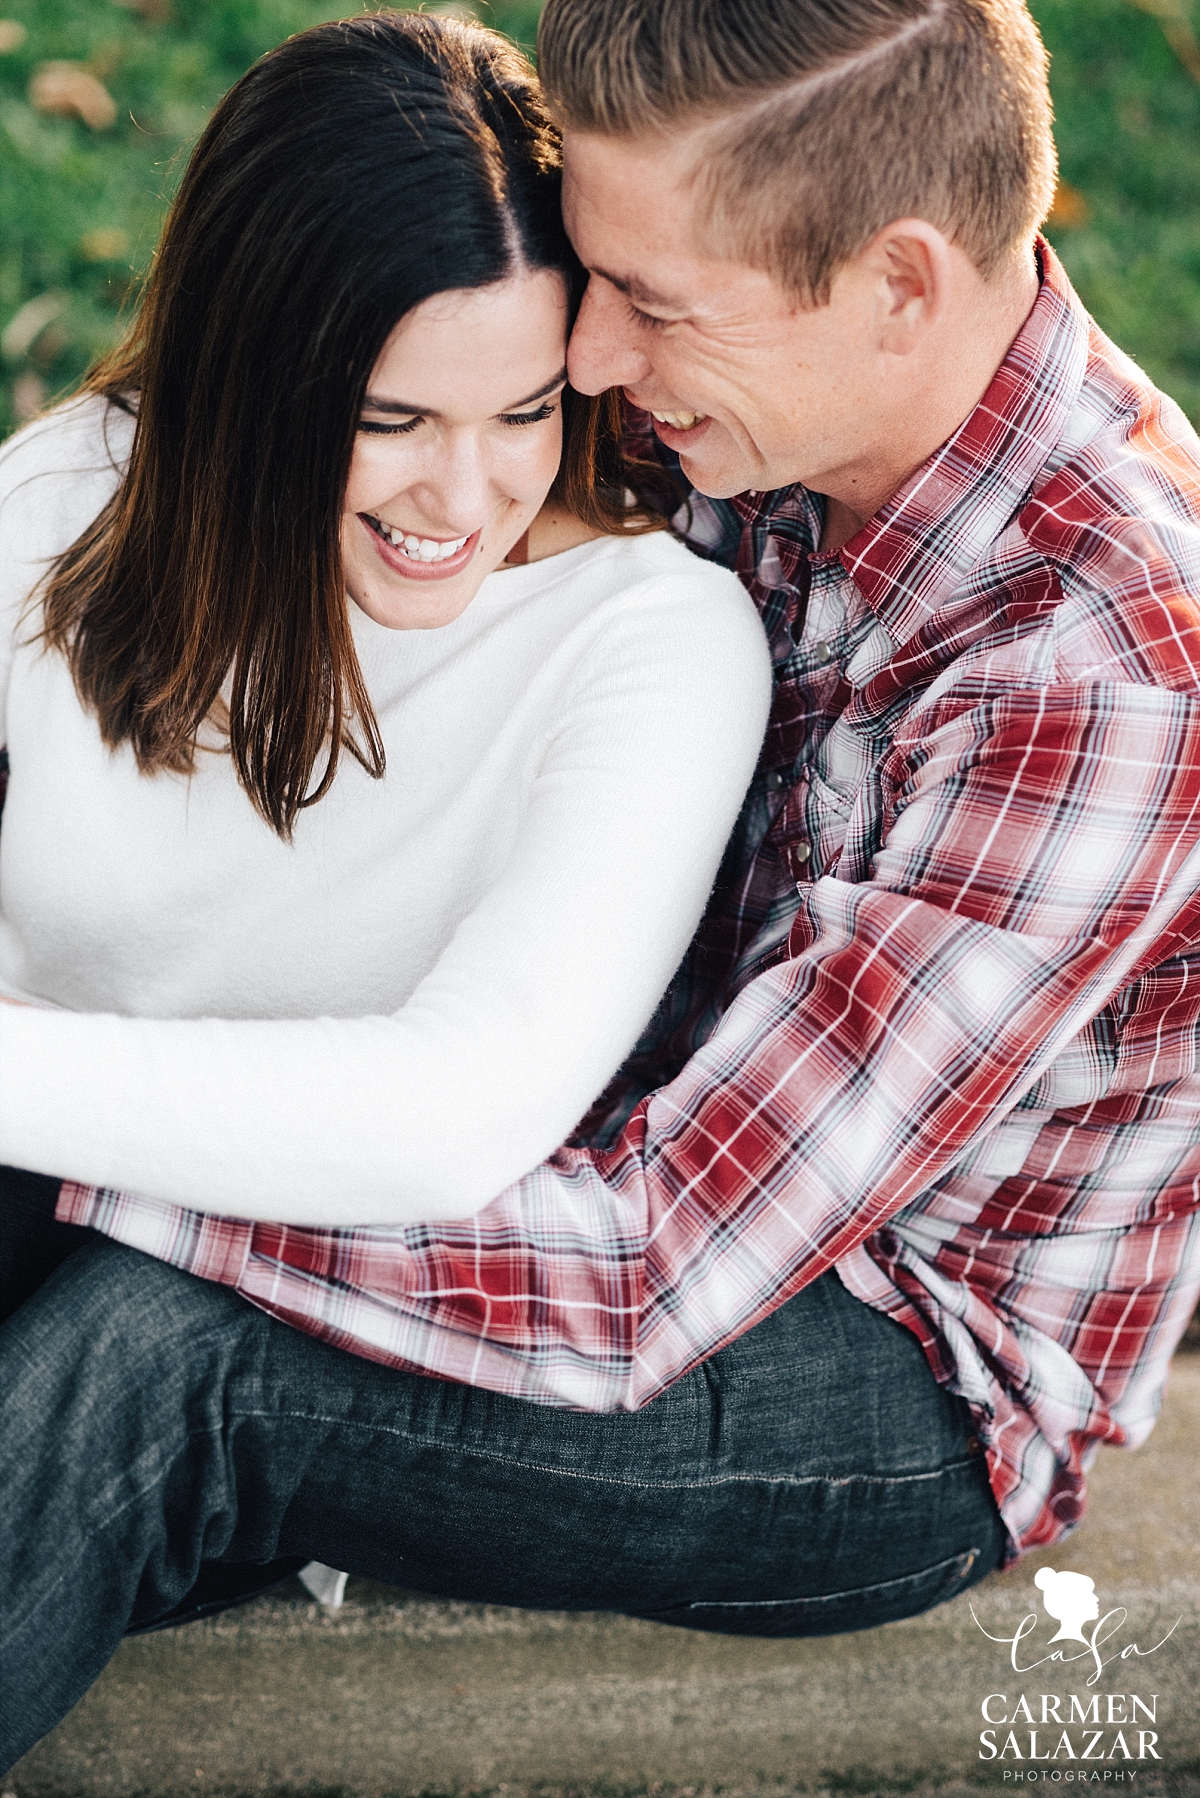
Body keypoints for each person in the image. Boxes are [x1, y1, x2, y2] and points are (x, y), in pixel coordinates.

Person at [5, 0, 1200, 1769]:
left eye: (650, 301)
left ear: (896, 286)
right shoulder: (740, 397)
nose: (588, 351)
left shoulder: (1114, 663)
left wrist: (73, 1156)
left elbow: (657, 1264)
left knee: (169, 1352)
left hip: (874, 1371)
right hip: (602, 1150)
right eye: (597, 275)